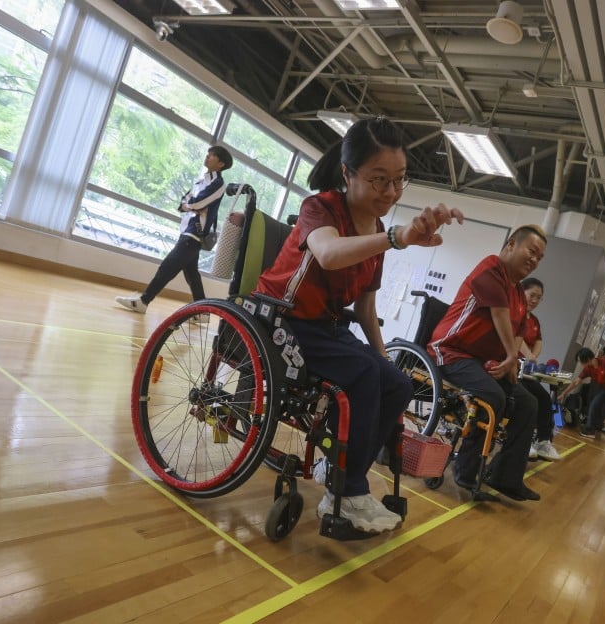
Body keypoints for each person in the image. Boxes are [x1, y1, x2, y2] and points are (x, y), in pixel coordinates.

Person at [255, 117, 464, 533]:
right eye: (379, 180)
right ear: (348, 174)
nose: (390, 193)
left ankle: (342, 477)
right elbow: (330, 254)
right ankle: (349, 491)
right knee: (367, 374)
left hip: (325, 330)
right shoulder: (321, 208)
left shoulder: (378, 229)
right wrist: (398, 239)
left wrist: (385, 359)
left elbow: (366, 306)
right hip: (282, 319)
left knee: (397, 383)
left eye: (399, 181)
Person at [428, 225, 547, 502]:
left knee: (529, 403)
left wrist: (512, 362)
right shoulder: (491, 268)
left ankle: (506, 478)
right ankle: (465, 472)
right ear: (511, 245)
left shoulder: (518, 291)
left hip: (482, 361)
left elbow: (518, 331)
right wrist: (509, 357)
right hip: (451, 351)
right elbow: (500, 315)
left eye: (540, 258)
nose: (535, 260)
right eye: (532, 251)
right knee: (492, 395)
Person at [116, 146, 233, 314]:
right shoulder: (201, 181)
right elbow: (183, 203)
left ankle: (144, 300)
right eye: (208, 154)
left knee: (168, 266)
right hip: (187, 230)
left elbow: (196, 203)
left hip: (195, 233)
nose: (207, 157)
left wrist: (192, 205)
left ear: (221, 164)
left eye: (212, 155)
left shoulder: (219, 184)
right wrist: (192, 205)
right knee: (192, 275)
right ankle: (202, 312)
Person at [558, 347, 605, 456]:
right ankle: (589, 431)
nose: (580, 364)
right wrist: (564, 393)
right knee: (594, 404)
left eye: (581, 361)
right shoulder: (588, 369)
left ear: (588, 359)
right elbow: (576, 382)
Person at [517, 277, 561, 462]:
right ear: (522, 292)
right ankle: (522, 442)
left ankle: (543, 441)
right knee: (528, 400)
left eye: (539, 297)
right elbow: (514, 337)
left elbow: (538, 342)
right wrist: (528, 355)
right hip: (509, 365)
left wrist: (532, 356)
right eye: (531, 295)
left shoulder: (534, 320)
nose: (534, 300)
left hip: (525, 370)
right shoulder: (514, 312)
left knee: (543, 399)